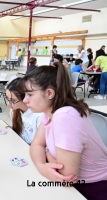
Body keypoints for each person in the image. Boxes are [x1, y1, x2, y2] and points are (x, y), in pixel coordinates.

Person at [19, 62, 107, 200]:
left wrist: (46, 152)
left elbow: (66, 177)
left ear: (49, 93)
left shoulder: (65, 116)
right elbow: (36, 145)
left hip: (93, 189)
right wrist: (42, 166)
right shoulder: (50, 112)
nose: (25, 100)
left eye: (30, 94)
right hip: (77, 187)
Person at [6, 78, 42, 145]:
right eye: (7, 99)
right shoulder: (14, 111)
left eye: (13, 100)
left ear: (25, 99)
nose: (8, 103)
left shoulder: (39, 116)